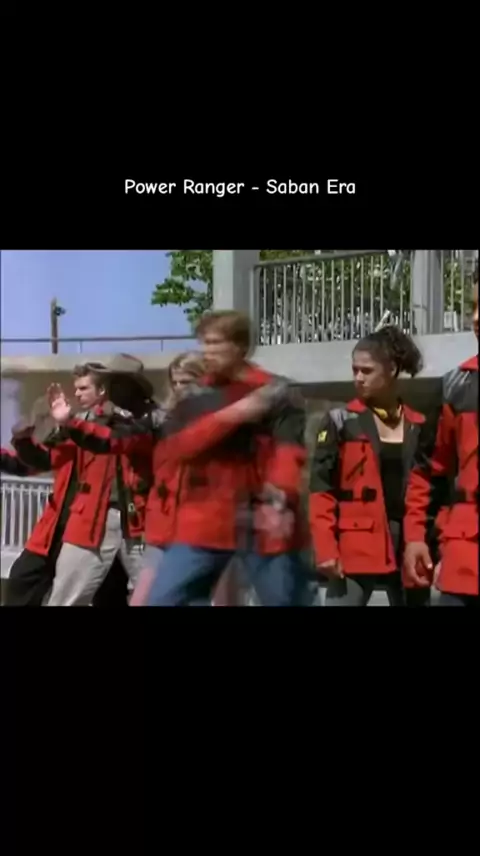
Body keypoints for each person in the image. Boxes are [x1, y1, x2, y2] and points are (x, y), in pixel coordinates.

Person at [49, 312, 309, 606]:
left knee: (280, 599)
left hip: (261, 521)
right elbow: (166, 445)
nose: (208, 351)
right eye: (205, 343)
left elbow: (290, 452)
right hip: (201, 523)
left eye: (216, 343)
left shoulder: (275, 392)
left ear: (240, 346)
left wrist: (280, 494)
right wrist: (235, 414)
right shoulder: (194, 400)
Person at [309, 324, 438, 606]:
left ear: (391, 369)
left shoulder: (419, 424)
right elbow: (321, 490)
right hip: (356, 544)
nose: (358, 378)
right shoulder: (340, 421)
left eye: (366, 371)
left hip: (410, 543)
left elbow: (428, 490)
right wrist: (325, 548)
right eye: (355, 370)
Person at [9, 358, 153, 606]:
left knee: (149, 594)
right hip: (88, 522)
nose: (77, 394)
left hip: (135, 522)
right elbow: (45, 458)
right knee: (54, 592)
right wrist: (25, 438)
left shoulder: (145, 421)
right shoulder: (82, 424)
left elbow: (115, 440)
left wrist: (71, 423)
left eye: (83, 388)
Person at [403, 266, 479, 607]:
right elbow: (427, 472)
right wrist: (415, 537)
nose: (475, 318)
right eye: (473, 306)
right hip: (464, 561)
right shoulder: (455, 387)